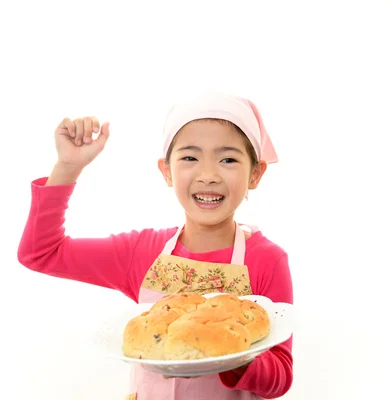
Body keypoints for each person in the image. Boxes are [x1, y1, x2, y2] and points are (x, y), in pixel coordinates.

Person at [17, 90, 294, 399]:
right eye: (190, 157)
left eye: (228, 159)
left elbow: (280, 379)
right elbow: (40, 253)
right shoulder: (142, 252)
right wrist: (67, 167)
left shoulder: (267, 259)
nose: (208, 175)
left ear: (255, 173)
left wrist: (227, 352)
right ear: (166, 171)